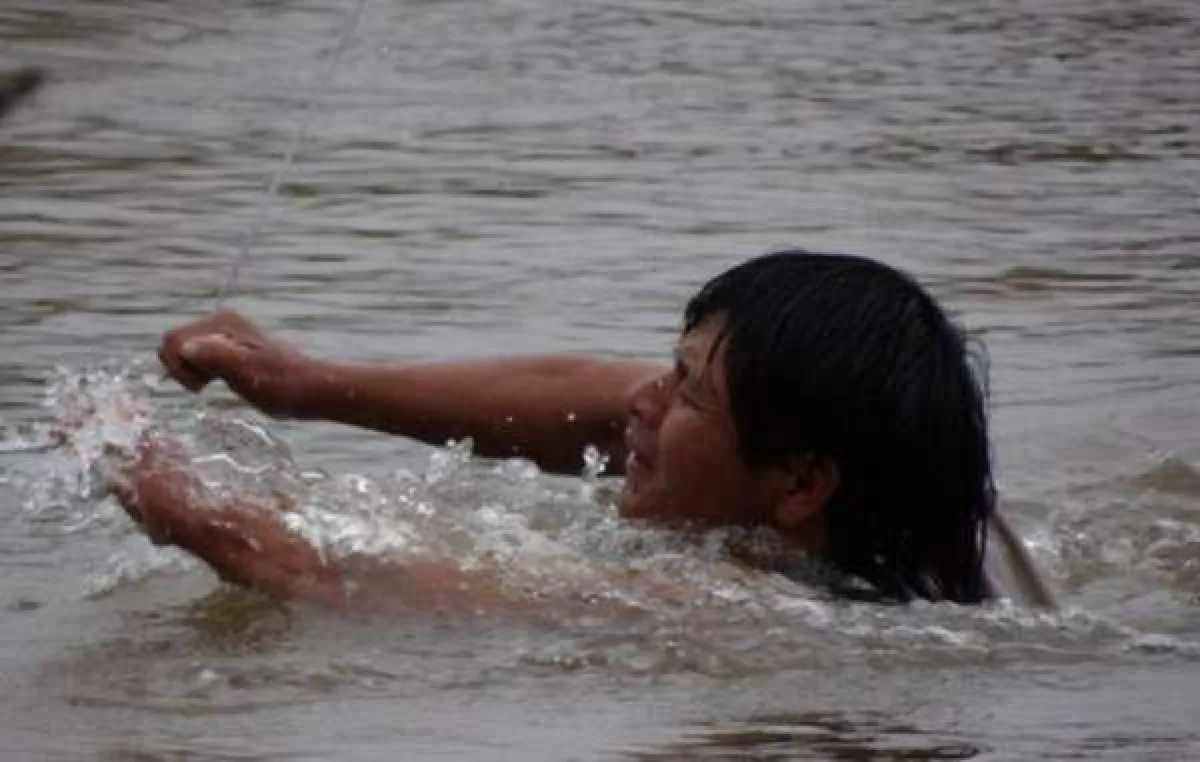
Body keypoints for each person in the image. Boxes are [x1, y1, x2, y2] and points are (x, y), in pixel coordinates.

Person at [113, 249, 1021, 610]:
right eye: (666, 366)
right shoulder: (906, 482)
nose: (640, 397)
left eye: (685, 391)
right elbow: (592, 398)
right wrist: (308, 385)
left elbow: (334, 580)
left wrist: (169, 493)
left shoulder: (743, 611)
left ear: (800, 486)